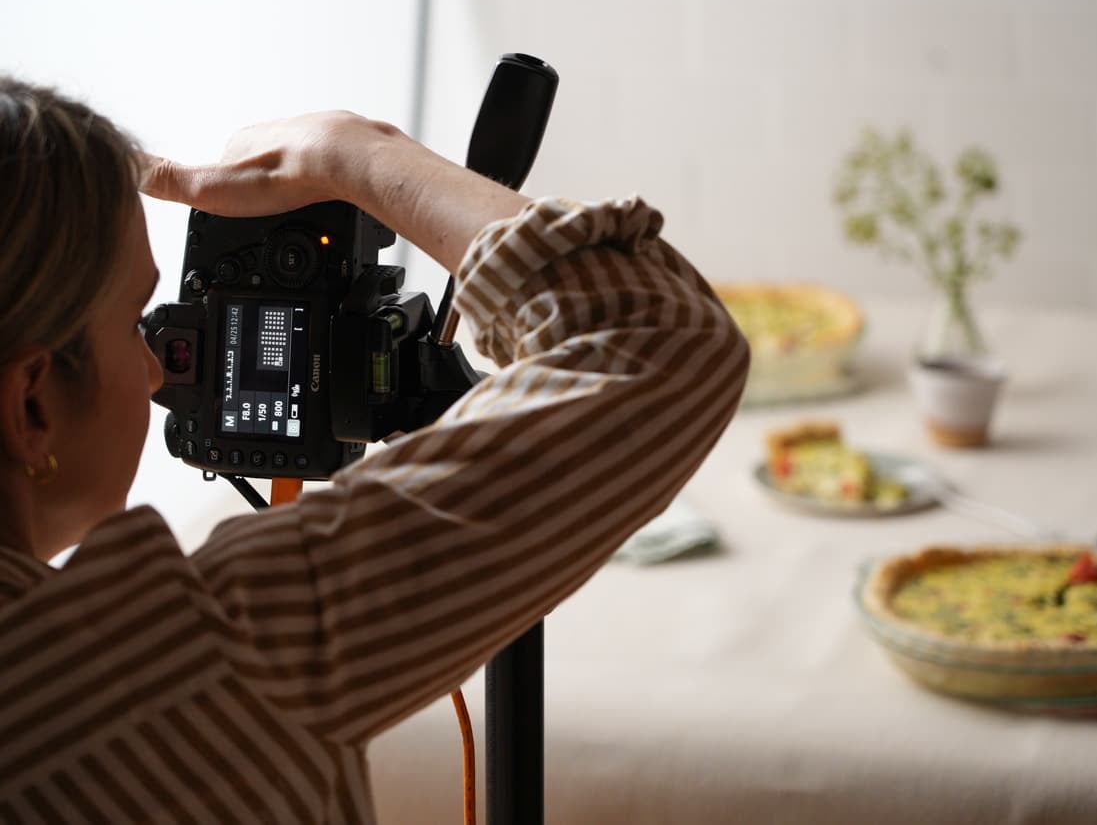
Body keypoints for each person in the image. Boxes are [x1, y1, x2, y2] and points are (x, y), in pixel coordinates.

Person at [0, 76, 749, 822]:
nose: (161, 367)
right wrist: (356, 154)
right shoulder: (199, 655)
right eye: (134, 322)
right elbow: (662, 335)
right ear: (31, 403)